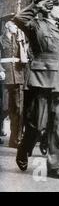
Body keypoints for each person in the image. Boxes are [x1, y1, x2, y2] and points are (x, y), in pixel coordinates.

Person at [14, 0, 59, 179]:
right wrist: (37, 5)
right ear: (48, 8)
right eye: (57, 6)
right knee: (36, 124)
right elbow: (19, 19)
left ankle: (54, 166)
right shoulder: (36, 25)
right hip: (42, 79)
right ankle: (24, 149)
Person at [0, 16, 25, 148]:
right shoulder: (0, 39)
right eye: (14, 26)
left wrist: (21, 43)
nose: (17, 28)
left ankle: (15, 138)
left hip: (18, 75)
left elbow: (24, 57)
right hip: (4, 75)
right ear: (7, 26)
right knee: (3, 107)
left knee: (18, 108)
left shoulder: (19, 39)